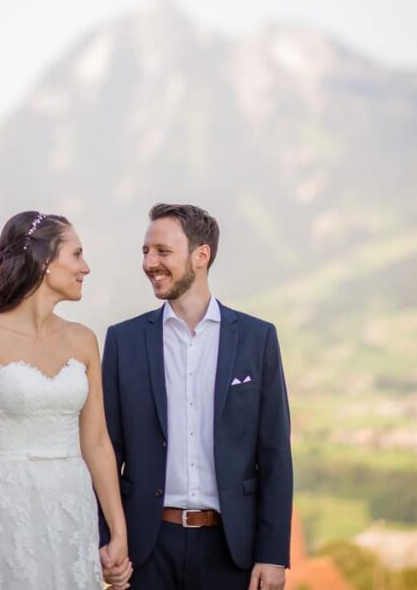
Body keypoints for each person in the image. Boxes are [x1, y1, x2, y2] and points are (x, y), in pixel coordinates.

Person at [99, 203, 293, 590]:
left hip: (231, 549)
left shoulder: (259, 339)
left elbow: (274, 454)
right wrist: (106, 541)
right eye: (145, 251)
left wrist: (272, 555)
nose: (149, 262)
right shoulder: (124, 341)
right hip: (145, 551)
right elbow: (105, 449)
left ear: (201, 256)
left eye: (162, 251)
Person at [0, 210, 132, 590]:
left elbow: (96, 442)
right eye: (77, 254)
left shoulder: (83, 340)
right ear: (46, 261)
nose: (87, 268)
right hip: (4, 513)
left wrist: (118, 532)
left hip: (71, 510)